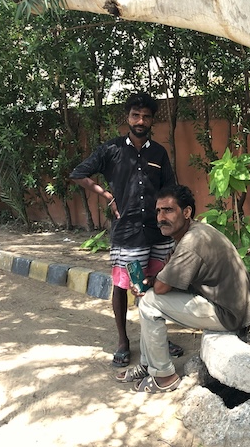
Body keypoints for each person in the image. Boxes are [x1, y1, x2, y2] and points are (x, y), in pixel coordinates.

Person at [69, 92, 183, 367]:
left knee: (157, 286)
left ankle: (156, 336)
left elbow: (169, 188)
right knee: (122, 286)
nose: (141, 120)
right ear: (127, 117)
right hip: (127, 233)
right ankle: (123, 341)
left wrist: (174, 221)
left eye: (146, 116)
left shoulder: (159, 153)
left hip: (157, 232)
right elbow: (78, 173)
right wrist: (107, 195)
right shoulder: (112, 150)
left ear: (152, 120)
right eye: (136, 115)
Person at [116, 184, 250, 393]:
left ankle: (164, 376)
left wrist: (153, 282)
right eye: (158, 211)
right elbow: (166, 279)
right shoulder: (193, 232)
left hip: (230, 315)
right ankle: (149, 365)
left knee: (149, 302)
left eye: (168, 210)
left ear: (186, 212)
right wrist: (153, 280)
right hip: (226, 305)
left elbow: (162, 288)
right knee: (148, 296)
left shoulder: (192, 241)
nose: (160, 217)